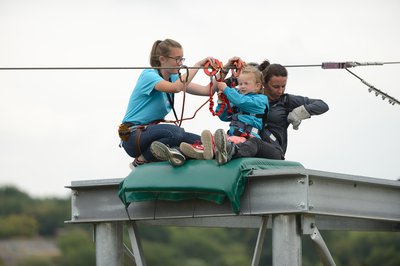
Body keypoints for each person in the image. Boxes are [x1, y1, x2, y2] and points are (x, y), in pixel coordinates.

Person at [118, 38, 215, 168]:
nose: (180, 63)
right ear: (162, 59)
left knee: (202, 142)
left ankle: (176, 152)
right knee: (175, 133)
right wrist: (198, 65)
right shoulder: (149, 76)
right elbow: (176, 88)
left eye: (182, 59)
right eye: (177, 59)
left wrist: (223, 72)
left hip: (151, 134)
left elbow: (206, 90)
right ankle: (140, 161)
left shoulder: (174, 78)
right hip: (132, 135)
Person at [213, 60, 329, 164]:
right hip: (245, 140)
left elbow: (322, 105)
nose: (280, 90)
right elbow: (227, 114)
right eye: (276, 86)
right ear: (263, 84)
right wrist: (223, 97)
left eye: (283, 86)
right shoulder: (248, 99)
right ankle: (209, 150)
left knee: (255, 142)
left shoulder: (285, 101)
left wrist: (300, 112)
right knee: (219, 138)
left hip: (272, 150)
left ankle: (231, 151)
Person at [179, 65, 269, 159]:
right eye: (240, 83)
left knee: (230, 142)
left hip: (248, 138)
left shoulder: (260, 100)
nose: (242, 86)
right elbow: (224, 116)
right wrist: (221, 101)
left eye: (246, 83)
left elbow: (241, 101)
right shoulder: (237, 98)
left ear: (257, 86)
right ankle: (203, 150)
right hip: (232, 134)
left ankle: (217, 150)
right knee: (217, 138)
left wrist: (226, 89)